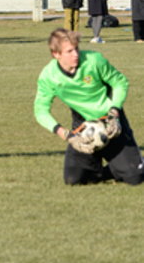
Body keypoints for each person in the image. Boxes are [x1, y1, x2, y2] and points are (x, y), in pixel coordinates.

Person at [34, 28, 144, 186]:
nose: (76, 54)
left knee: (135, 176)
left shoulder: (94, 60)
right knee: (74, 180)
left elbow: (120, 82)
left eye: (76, 48)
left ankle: (132, 164)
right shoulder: (48, 76)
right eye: (69, 51)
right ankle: (101, 167)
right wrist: (67, 135)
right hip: (83, 125)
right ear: (56, 54)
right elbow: (40, 111)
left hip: (110, 119)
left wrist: (114, 112)